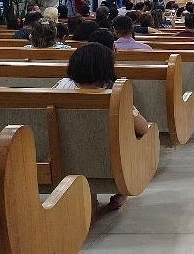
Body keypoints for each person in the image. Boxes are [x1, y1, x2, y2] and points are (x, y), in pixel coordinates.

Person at [53, 43, 149, 210]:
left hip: (64, 157)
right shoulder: (113, 95)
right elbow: (143, 128)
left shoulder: (61, 87)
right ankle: (123, 186)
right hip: (108, 162)